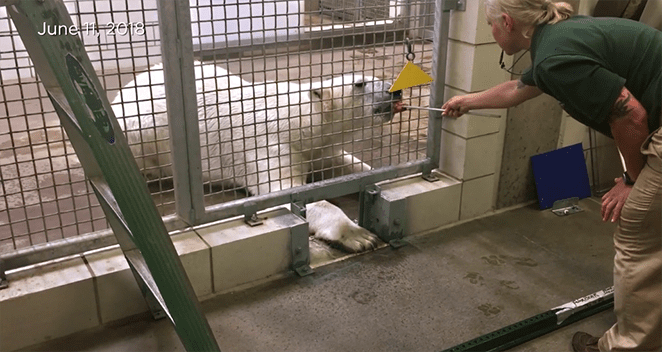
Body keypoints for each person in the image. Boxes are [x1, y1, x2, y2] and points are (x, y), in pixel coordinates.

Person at [441, 1, 662, 351]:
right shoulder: (558, 38)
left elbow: (630, 115)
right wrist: (468, 101)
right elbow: (518, 89)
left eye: (491, 27)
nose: (491, 34)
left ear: (507, 23)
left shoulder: (553, 58)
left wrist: (632, 181)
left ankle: (627, 346)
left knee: (638, 230)